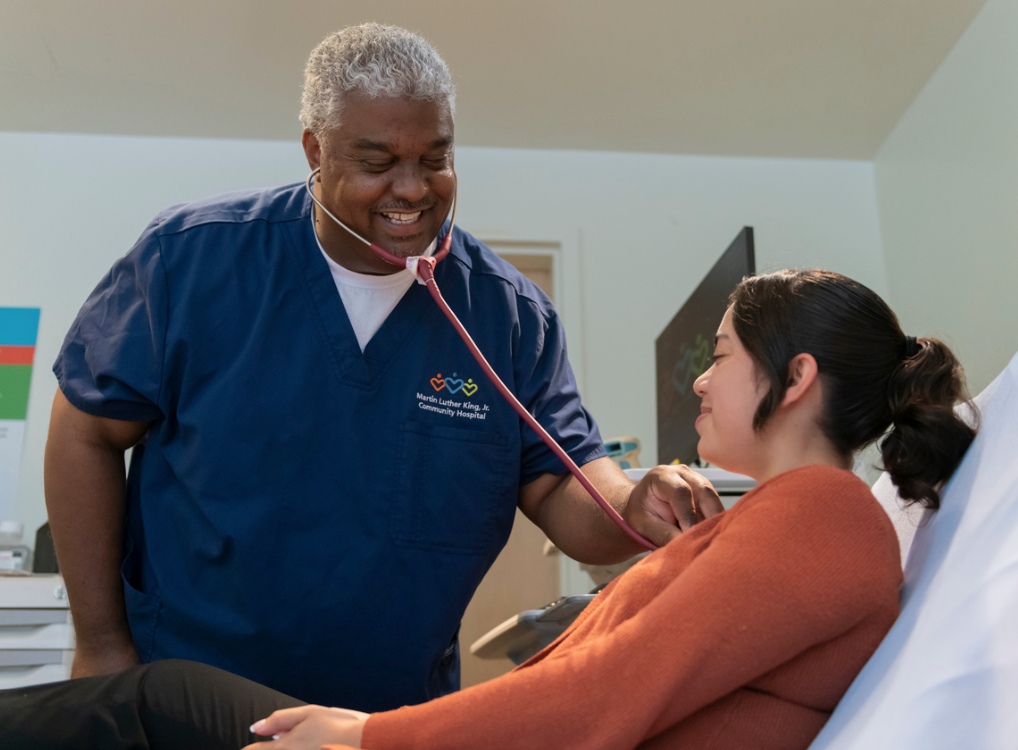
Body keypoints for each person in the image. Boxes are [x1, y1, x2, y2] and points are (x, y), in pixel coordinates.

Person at [5, 268, 976, 750]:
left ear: (794, 377)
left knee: (165, 702)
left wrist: (368, 738)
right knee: (174, 703)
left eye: (717, 353)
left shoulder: (824, 514)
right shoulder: (792, 516)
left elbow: (613, 691)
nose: (700, 380)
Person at [42, 23, 719, 713]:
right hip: (188, 694)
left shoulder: (507, 316)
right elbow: (84, 433)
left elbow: (564, 485)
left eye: (435, 158)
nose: (412, 189)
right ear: (314, 149)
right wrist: (99, 643)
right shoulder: (193, 260)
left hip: (384, 719)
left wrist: (635, 500)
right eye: (378, 161)